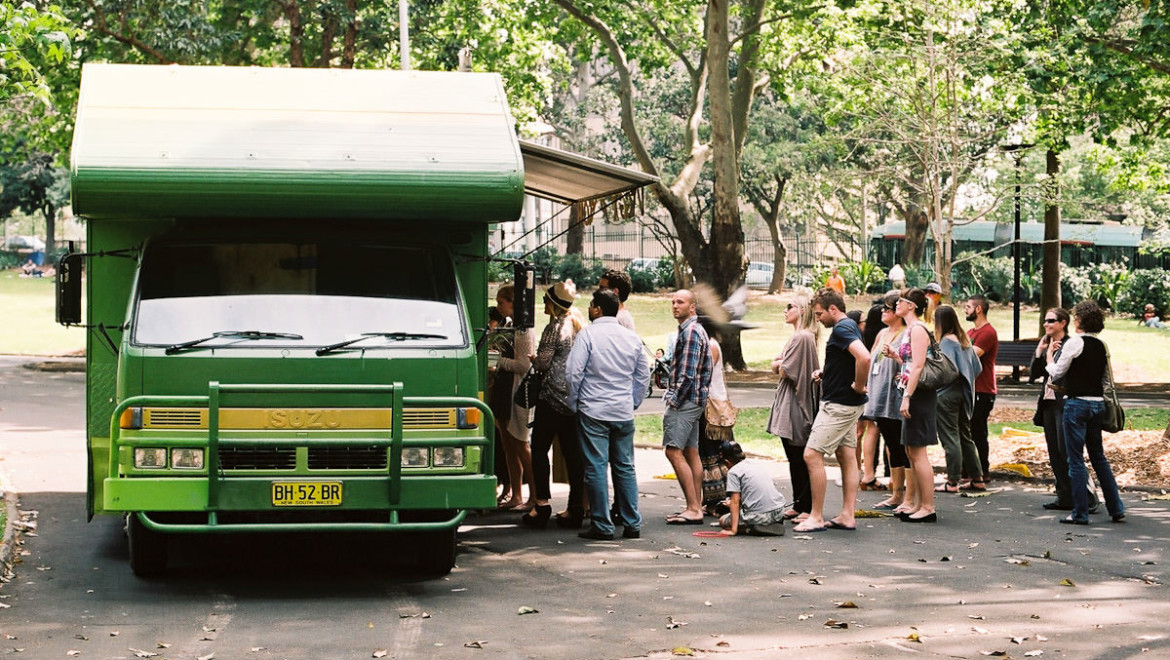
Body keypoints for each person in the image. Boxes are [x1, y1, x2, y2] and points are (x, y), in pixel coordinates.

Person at [565, 289, 651, 540]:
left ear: (598, 309)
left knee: (596, 467)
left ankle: (602, 525)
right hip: (622, 410)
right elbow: (643, 375)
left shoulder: (588, 335)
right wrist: (633, 401)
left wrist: (574, 402)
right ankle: (632, 522)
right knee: (625, 466)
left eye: (592, 304)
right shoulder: (632, 338)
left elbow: (573, 373)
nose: (590, 308)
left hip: (594, 408)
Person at [792, 288, 869, 533]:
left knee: (811, 455)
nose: (818, 319)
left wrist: (859, 385)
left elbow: (864, 358)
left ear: (833, 309)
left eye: (819, 314)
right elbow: (847, 360)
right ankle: (847, 515)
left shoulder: (842, 328)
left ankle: (815, 516)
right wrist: (828, 373)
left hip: (839, 405)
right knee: (846, 455)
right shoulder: (850, 326)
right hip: (846, 403)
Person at [1046, 301, 1126, 525]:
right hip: (1097, 404)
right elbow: (1104, 379)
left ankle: (1080, 512)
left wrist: (1049, 357)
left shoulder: (1075, 343)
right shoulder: (1101, 345)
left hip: (1077, 404)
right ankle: (1116, 507)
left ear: (1079, 320)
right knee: (1099, 457)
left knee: (1075, 460)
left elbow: (1057, 372)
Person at [520, 280, 588, 529]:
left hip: (551, 397)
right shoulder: (578, 325)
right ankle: (576, 506)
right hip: (574, 397)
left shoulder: (554, 328)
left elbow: (544, 363)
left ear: (553, 304)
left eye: (545, 300)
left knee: (539, 448)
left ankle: (541, 504)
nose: (543, 304)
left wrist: (534, 359)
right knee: (573, 453)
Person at [1032, 307, 1099, 512]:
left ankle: (1089, 495)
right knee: (1054, 452)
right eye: (1045, 320)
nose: (1046, 324)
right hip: (1048, 404)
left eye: (1051, 320)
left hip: (1065, 403)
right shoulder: (1048, 345)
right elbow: (1034, 374)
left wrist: (1052, 358)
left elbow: (1064, 374)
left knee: (1067, 451)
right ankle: (1064, 496)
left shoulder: (1072, 344)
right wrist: (1041, 351)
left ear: (1063, 323)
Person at [766, 294, 820, 522]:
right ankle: (799, 503)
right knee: (793, 455)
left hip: (796, 402)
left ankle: (807, 506)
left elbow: (784, 369)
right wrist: (778, 364)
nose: (785, 310)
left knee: (799, 454)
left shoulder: (802, 337)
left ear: (802, 310)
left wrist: (778, 363)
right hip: (789, 399)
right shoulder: (799, 337)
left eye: (790, 306)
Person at [661, 289, 713, 525]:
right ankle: (695, 506)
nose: (675, 305)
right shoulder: (692, 330)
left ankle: (693, 508)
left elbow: (687, 376)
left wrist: (673, 400)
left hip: (686, 400)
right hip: (695, 400)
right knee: (691, 451)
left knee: (673, 450)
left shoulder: (691, 332)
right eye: (673, 302)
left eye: (680, 302)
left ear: (692, 307)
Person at [894, 288, 939, 522]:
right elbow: (910, 363)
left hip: (919, 395)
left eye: (900, 301)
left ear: (911, 305)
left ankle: (928, 507)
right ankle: (920, 504)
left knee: (919, 452)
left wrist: (907, 396)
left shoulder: (919, 329)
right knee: (911, 451)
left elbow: (919, 366)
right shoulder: (910, 329)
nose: (896, 304)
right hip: (911, 392)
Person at [491, 285, 536, 511]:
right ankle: (516, 494)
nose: (499, 307)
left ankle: (535, 495)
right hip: (503, 390)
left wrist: (497, 361)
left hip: (516, 391)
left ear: (512, 302)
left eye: (502, 302)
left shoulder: (523, 330)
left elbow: (524, 365)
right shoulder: (508, 325)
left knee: (520, 444)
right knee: (508, 445)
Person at [866, 293, 911, 511]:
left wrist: (896, 358)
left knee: (902, 446)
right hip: (878, 397)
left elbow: (912, 364)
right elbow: (870, 360)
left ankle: (908, 496)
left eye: (887, 308)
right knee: (892, 446)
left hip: (896, 397)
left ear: (898, 312)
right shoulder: (882, 333)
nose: (883, 312)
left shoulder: (906, 335)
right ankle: (896, 495)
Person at [933, 305, 984, 494]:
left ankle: (952, 481)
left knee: (950, 437)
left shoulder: (946, 342)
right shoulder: (964, 340)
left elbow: (944, 370)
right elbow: (977, 367)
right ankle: (977, 478)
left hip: (947, 393)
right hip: (964, 392)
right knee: (965, 436)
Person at [698, 319, 735, 517]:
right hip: (713, 405)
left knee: (714, 453)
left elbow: (704, 375)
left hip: (713, 408)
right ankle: (713, 500)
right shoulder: (711, 344)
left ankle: (718, 500)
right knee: (709, 453)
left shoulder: (711, 345)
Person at [716, 441, 787, 536]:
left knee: (723, 520)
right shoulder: (753, 464)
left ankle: (752, 528)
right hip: (778, 512)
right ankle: (771, 523)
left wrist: (733, 530)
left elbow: (735, 501)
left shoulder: (733, 472)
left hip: (760, 516)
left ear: (727, 462)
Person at [965, 294, 999, 487]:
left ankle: (983, 471)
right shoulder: (970, 332)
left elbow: (971, 356)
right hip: (970, 388)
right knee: (966, 431)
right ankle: (968, 470)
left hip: (983, 389)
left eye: (968, 306)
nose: (965, 309)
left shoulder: (988, 332)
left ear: (978, 309)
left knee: (978, 431)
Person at [858, 303, 888, 490]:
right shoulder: (885, 335)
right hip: (880, 386)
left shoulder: (864, 337)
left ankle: (868, 471)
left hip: (867, 385)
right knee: (888, 431)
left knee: (870, 429)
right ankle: (893, 476)